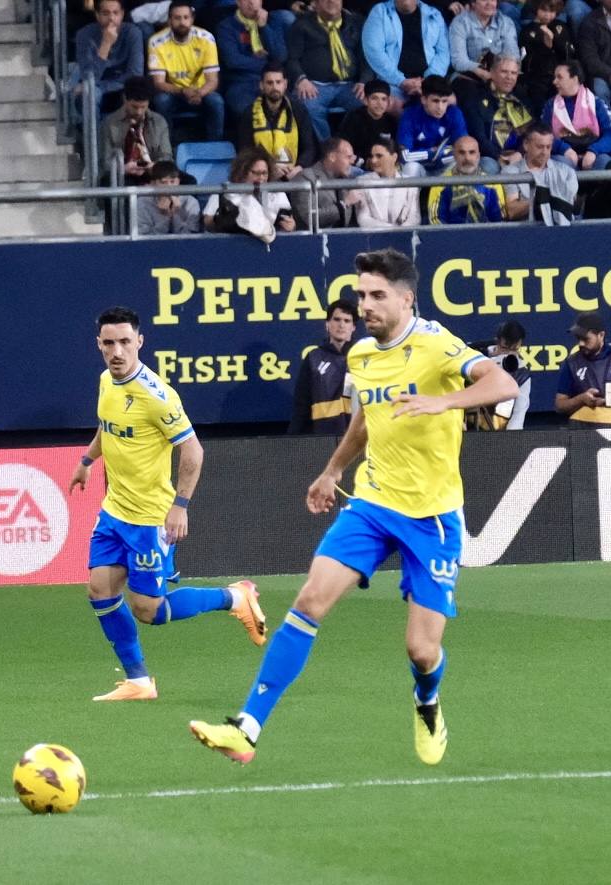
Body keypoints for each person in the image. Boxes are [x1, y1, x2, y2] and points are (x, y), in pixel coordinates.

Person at [189, 247, 519, 766]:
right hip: (372, 502)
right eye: (362, 293)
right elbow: (366, 421)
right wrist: (333, 470)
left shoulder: (437, 344)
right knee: (309, 602)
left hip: (432, 516)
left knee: (421, 650)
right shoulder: (362, 355)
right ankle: (246, 728)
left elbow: (502, 382)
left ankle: (427, 700)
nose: (365, 304)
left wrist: (443, 401)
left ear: (407, 299)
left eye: (377, 295)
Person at [67, 305, 266, 703]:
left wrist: (181, 505)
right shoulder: (107, 380)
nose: (117, 351)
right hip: (114, 511)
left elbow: (193, 451)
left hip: (149, 519)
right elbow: (108, 427)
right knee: (99, 589)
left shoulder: (157, 396)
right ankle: (139, 681)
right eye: (109, 343)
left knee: (149, 611)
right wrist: (87, 461)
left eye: (125, 342)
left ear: (140, 342)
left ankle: (234, 597)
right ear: (99, 346)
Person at [285, 0, 368, 141]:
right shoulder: (301, 25)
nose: (331, 1)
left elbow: (366, 56)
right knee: (307, 105)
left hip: (349, 86)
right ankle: (327, 150)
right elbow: (292, 58)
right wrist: (301, 79)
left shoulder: (356, 23)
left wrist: (364, 81)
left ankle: (349, 147)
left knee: (368, 103)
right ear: (315, 4)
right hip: (314, 86)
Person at [147, 0, 225, 140]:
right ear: (169, 20)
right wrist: (182, 91)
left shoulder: (206, 39)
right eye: (177, 18)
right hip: (173, 92)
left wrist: (199, 93)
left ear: (192, 19)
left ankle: (215, 145)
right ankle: (166, 147)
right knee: (161, 101)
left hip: (201, 91)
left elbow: (212, 80)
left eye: (186, 17)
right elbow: (159, 83)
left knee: (216, 101)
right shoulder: (156, 42)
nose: (182, 22)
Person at [288, 298, 357, 434]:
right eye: (336, 319)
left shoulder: (363, 358)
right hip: (323, 438)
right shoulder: (313, 358)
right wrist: (291, 441)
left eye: (347, 321)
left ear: (353, 327)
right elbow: (302, 406)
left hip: (358, 438)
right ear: (327, 324)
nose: (341, 325)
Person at [240, 63, 318, 180]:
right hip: (262, 176)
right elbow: (244, 151)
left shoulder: (298, 110)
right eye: (269, 83)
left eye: (278, 82)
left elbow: (310, 147)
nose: (274, 87)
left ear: (285, 84)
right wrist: (269, 169)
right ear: (261, 85)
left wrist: (299, 167)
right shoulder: (249, 113)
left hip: (294, 173)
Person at [361, 0, 450, 103]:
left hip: (430, 82)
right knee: (395, 106)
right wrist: (401, 81)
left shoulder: (434, 14)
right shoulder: (380, 12)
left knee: (449, 102)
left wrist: (428, 82)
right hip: (392, 83)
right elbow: (374, 52)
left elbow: (443, 53)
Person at [216, 0, 289, 123]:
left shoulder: (273, 21)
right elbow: (233, 61)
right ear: (238, 3)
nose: (251, 3)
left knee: (294, 107)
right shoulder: (226, 26)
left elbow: (280, 57)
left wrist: (264, 28)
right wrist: (267, 64)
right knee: (248, 111)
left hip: (272, 81)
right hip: (241, 83)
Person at [204, 145, 297, 236]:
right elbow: (207, 223)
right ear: (242, 172)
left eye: (264, 173)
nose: (261, 178)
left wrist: (291, 226)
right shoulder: (224, 191)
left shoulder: (277, 192)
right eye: (256, 173)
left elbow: (287, 221)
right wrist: (222, 222)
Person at [74, 0, 145, 116]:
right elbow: (88, 77)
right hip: (95, 89)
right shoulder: (84, 35)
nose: (111, 18)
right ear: (97, 15)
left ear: (122, 14)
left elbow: (135, 75)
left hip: (123, 88)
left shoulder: (133, 33)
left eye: (115, 13)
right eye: (106, 14)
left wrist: (102, 86)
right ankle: (94, 134)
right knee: (90, 94)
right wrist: (106, 44)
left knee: (137, 94)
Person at [99, 75, 173, 186]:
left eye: (143, 107)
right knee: (114, 183)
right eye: (134, 107)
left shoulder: (159, 121)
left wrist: (154, 166)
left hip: (154, 171)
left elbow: (167, 155)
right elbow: (105, 161)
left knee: (189, 181)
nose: (139, 112)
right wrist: (124, 168)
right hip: (124, 173)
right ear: (125, 99)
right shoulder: (109, 123)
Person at [460, 54, 529, 171]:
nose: (509, 77)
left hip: (518, 156)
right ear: (492, 73)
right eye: (504, 72)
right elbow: (479, 137)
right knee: (489, 167)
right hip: (490, 157)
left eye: (513, 73)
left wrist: (519, 153)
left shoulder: (520, 100)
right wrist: (499, 157)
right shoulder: (476, 98)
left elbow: (530, 133)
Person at [503, 121, 577, 223]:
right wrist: (540, 200)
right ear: (526, 145)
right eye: (539, 147)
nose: (544, 152)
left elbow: (573, 206)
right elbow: (512, 211)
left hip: (561, 231)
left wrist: (548, 198)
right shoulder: (510, 172)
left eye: (548, 147)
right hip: (526, 232)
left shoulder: (566, 171)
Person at [448, 0, 519, 106]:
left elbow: (513, 55)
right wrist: (483, 72)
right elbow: (458, 61)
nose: (489, 3)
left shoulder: (505, 22)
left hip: (501, 75)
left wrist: (499, 75)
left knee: (521, 93)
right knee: (473, 97)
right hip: (470, 76)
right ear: (473, 3)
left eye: (493, 0)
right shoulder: (460, 23)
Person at [542, 61, 611, 170]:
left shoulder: (596, 103)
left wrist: (594, 151)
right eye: (554, 77)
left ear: (575, 79)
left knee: (604, 161)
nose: (554, 81)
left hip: (594, 156)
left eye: (559, 77)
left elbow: (609, 133)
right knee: (560, 164)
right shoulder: (550, 106)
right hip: (565, 157)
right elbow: (543, 135)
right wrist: (564, 149)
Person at [468, 320, 531, 429]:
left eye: (515, 349)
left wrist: (509, 439)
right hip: (467, 424)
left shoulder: (521, 373)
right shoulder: (476, 356)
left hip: (499, 429)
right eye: (505, 348)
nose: (508, 353)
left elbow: (519, 413)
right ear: (497, 342)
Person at [426, 135, 506, 221]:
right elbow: (435, 220)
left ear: (478, 156)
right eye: (462, 153)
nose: (467, 158)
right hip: (452, 234)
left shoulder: (492, 183)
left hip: (485, 234)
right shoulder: (440, 184)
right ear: (454, 156)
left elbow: (500, 218)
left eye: (472, 152)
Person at [398, 75, 467, 173]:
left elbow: (464, 149)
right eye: (435, 101)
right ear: (424, 100)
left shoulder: (454, 113)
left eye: (444, 101)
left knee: (461, 161)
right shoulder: (409, 115)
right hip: (420, 168)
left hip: (444, 167)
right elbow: (404, 156)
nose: (440, 107)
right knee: (410, 168)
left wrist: (435, 153)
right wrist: (432, 152)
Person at [554, 311, 611, 425]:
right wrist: (581, 399)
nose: (580, 343)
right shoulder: (572, 363)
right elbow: (559, 405)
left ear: (601, 335)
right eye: (578, 338)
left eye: (585, 339)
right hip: (584, 432)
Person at [291, 136, 361, 228]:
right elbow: (310, 218)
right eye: (348, 157)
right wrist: (344, 204)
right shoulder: (306, 177)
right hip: (313, 241)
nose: (352, 162)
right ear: (332, 157)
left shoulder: (347, 181)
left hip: (344, 240)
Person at [519, 0, 574, 112]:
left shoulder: (561, 27)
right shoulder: (527, 30)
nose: (547, 15)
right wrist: (545, 46)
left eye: (552, 11)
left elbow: (568, 53)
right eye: (544, 10)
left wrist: (553, 41)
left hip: (561, 75)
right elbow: (525, 60)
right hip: (537, 78)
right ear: (536, 9)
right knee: (541, 106)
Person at [355, 140, 421, 226]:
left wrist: (400, 233)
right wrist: (391, 230)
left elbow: (414, 218)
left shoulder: (410, 184)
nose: (373, 161)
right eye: (372, 156)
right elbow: (363, 219)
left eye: (379, 156)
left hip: (404, 237)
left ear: (394, 157)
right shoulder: (361, 182)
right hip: (373, 237)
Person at [338, 78, 399, 167]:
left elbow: (395, 150)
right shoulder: (353, 118)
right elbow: (344, 148)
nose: (379, 103)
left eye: (383, 99)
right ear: (365, 100)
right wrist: (363, 162)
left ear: (388, 102)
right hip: (357, 166)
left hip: (383, 166)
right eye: (374, 98)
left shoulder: (391, 121)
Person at [137, 159, 201, 233]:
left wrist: (175, 215)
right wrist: (165, 217)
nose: (169, 187)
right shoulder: (143, 203)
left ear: (178, 181)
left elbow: (190, 237)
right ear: (153, 183)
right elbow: (144, 239)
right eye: (163, 183)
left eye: (172, 182)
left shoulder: (191, 202)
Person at [578, 0, 611, 107]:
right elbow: (589, 59)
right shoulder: (590, 22)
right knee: (599, 88)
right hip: (603, 74)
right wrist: (609, 73)